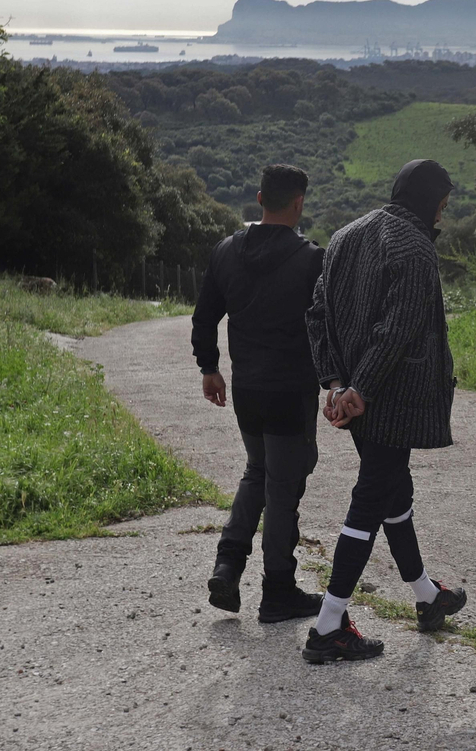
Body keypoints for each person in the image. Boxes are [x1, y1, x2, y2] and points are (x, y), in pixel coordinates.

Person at [301, 158, 468, 664]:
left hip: (356, 395)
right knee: (373, 496)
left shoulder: (347, 234)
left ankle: (424, 594)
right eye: (442, 204)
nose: (443, 214)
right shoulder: (415, 248)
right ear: (428, 200)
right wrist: (364, 390)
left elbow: (317, 312)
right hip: (390, 400)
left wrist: (336, 384)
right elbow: (397, 329)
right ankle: (329, 624)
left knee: (395, 487)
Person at [191, 164, 326, 623]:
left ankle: (227, 567)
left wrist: (209, 367)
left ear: (259, 197)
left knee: (258, 471)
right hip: (291, 392)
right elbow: (327, 329)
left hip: (246, 389)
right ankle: (279, 591)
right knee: (283, 487)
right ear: (299, 203)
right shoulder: (311, 259)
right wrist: (336, 383)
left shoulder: (226, 251)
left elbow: (204, 314)